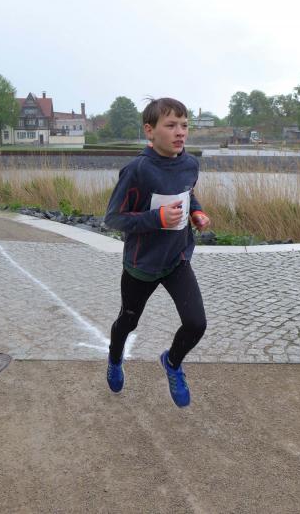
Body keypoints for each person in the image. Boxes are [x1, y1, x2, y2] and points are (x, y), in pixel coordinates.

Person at [104, 97, 211, 407]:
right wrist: (157, 219)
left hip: (177, 259)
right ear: (149, 131)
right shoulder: (137, 170)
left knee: (196, 324)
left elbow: (188, 192)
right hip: (141, 265)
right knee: (128, 322)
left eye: (184, 125)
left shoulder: (190, 164)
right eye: (171, 125)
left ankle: (172, 363)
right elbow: (113, 218)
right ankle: (114, 358)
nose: (180, 132)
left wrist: (196, 211)